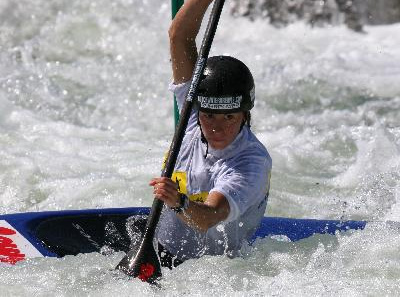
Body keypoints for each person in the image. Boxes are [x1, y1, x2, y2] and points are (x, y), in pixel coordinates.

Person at [150, 0, 272, 269]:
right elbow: (179, 36)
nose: (217, 127)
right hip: (159, 248)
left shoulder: (250, 163)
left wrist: (178, 202)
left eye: (229, 117)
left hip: (209, 272)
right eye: (209, 116)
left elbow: (210, 216)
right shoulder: (192, 114)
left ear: (244, 113)